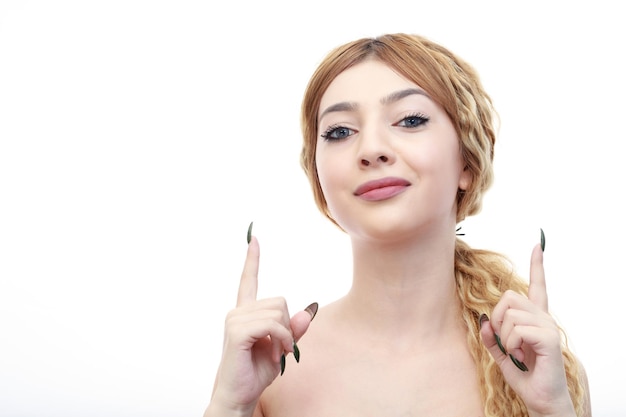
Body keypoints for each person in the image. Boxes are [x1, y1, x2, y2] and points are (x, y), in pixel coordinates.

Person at [204, 33, 592, 417]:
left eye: (410, 120)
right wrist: (230, 406)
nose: (372, 149)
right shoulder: (268, 374)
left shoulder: (540, 368)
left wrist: (550, 410)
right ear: (319, 178)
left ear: (468, 163)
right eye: (340, 131)